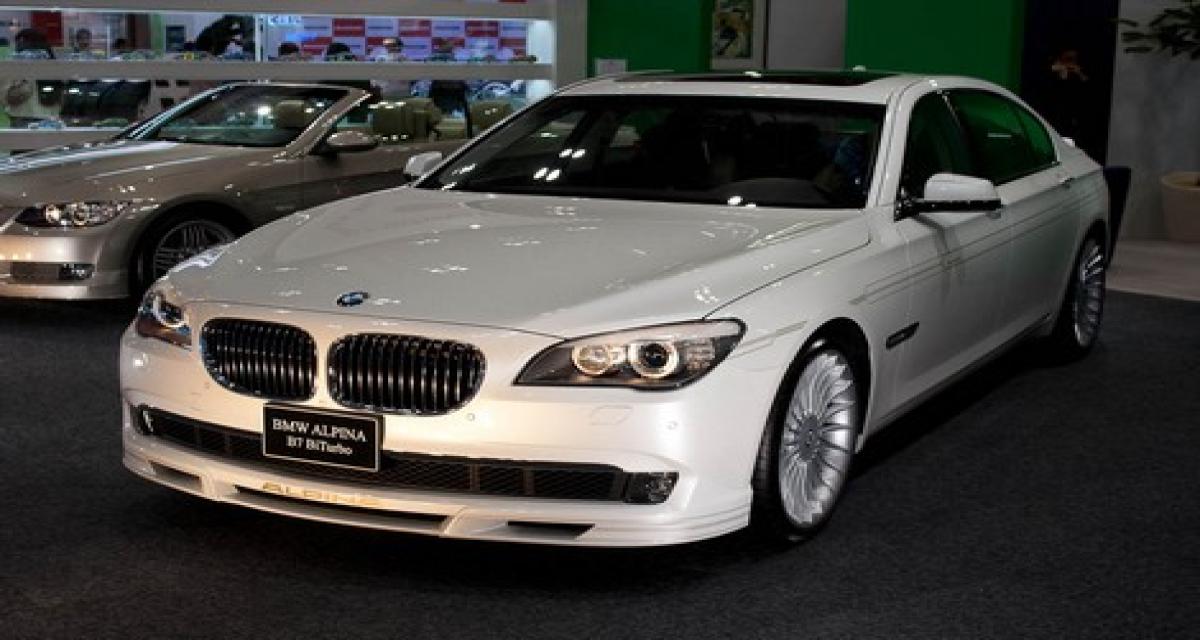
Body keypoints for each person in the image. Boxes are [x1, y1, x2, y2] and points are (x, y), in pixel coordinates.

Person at [3, 29, 62, 127]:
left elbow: (7, 97)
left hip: (23, 116)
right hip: (49, 116)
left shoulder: (16, 63)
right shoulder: (51, 62)